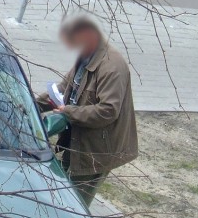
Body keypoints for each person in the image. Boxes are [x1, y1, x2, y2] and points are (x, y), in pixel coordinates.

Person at [37, 15, 138, 206]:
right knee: (63, 198)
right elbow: (63, 88)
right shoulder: (87, 56)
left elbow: (108, 111)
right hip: (76, 141)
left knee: (76, 207)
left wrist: (68, 112)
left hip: (95, 151)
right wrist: (31, 104)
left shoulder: (112, 68)